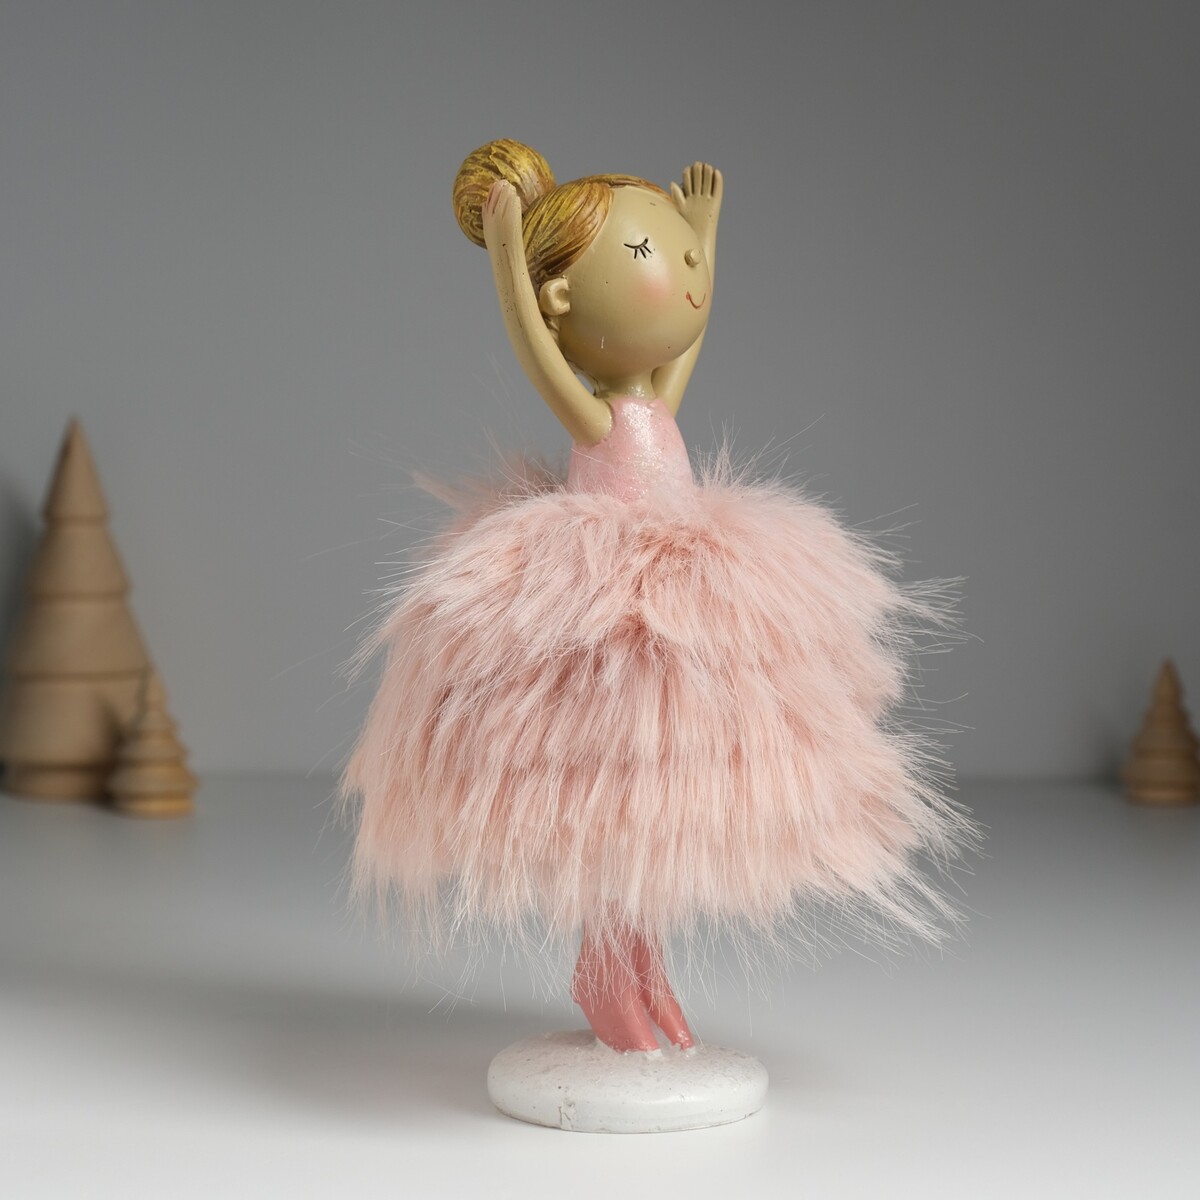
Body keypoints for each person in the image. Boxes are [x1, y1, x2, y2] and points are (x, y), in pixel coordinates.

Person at [343, 139, 969, 1054]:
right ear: (561, 299)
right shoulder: (592, 411)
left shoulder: (645, 400)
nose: (681, 275)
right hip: (606, 606)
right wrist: (509, 257)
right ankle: (604, 969)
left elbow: (686, 343)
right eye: (651, 254)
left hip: (681, 591)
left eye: (680, 257)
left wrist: (703, 233)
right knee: (609, 792)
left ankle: (642, 966)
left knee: (661, 806)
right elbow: (535, 353)